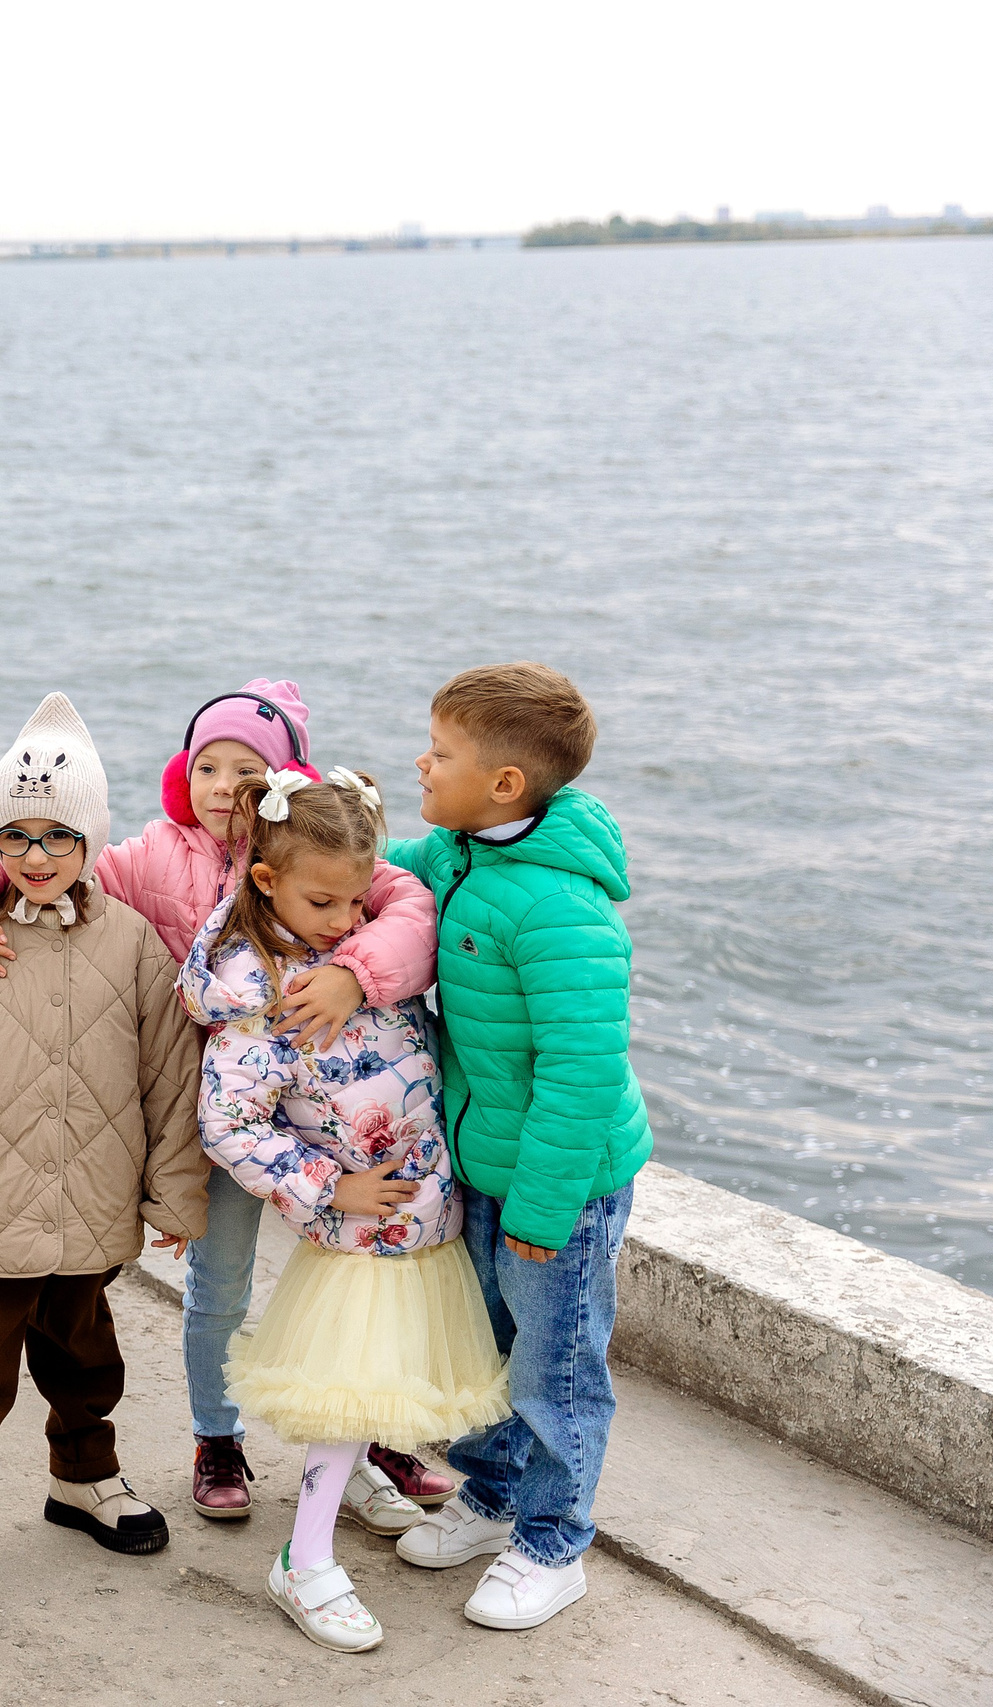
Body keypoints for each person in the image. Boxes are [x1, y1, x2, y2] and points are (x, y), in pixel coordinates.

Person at [0, 679, 449, 1521]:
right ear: (184, 773)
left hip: (325, 1111)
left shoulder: (327, 856)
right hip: (212, 1115)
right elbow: (54, 848)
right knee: (222, 1283)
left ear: (285, 782)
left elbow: (411, 911)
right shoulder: (151, 858)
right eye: (209, 765)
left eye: (249, 769)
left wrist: (355, 971)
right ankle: (218, 1435)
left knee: (364, 1286)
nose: (225, 787)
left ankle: (366, 1438)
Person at [0, 693, 208, 1620]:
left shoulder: (134, 946)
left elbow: (166, 1075)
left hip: (93, 1194)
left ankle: (82, 1477)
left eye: (56, 838)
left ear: (91, 842)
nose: (34, 856)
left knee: (85, 1350)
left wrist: (173, 1193)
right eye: (15, 837)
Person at [180, 766, 510, 1654]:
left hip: (420, 1218)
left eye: (356, 901)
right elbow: (229, 1123)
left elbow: (405, 905)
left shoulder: (362, 953)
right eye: (323, 902)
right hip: (362, 1233)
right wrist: (330, 1189)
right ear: (265, 881)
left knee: (378, 1385)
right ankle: (306, 1557)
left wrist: (360, 945)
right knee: (348, 1391)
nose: (344, 920)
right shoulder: (262, 998)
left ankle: (362, 1476)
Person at [386, 663, 652, 1631]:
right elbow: (387, 865)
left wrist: (541, 1210)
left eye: (440, 753)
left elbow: (579, 1080)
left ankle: (552, 1541)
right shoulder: (461, 853)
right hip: (487, 1160)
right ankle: (490, 1495)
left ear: (505, 784)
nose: (421, 761)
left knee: (556, 1366)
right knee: (489, 1346)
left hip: (560, 1185)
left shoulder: (560, 910)